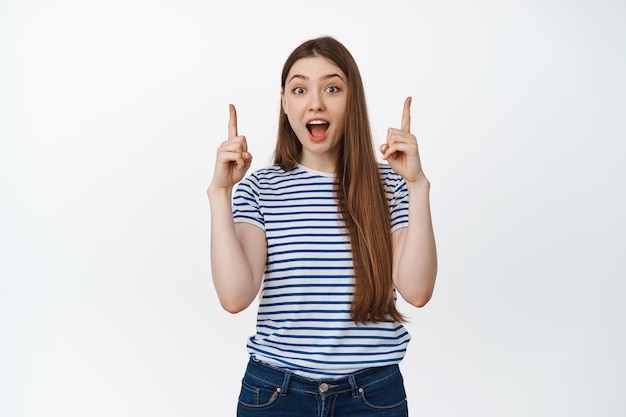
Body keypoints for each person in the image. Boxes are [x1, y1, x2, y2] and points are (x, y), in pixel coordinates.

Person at [208, 36, 437, 417]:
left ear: (352, 101)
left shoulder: (392, 186)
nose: (315, 102)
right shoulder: (260, 189)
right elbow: (235, 297)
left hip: (372, 398)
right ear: (285, 103)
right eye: (300, 89)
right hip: (275, 396)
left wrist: (417, 185)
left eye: (332, 88)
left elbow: (417, 290)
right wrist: (220, 193)